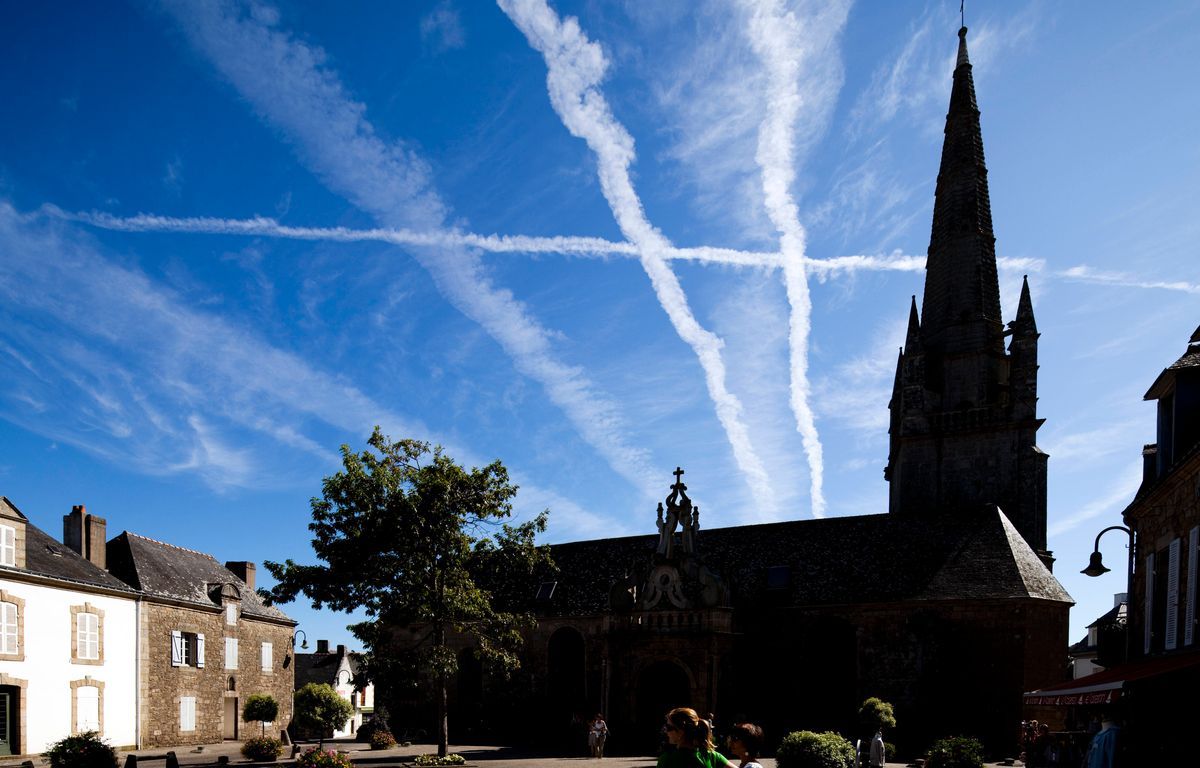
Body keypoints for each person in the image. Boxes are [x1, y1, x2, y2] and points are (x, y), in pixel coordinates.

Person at [658, 707, 735, 768]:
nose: (666, 731)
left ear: (681, 731)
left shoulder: (667, 759)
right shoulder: (711, 756)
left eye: (668, 727)